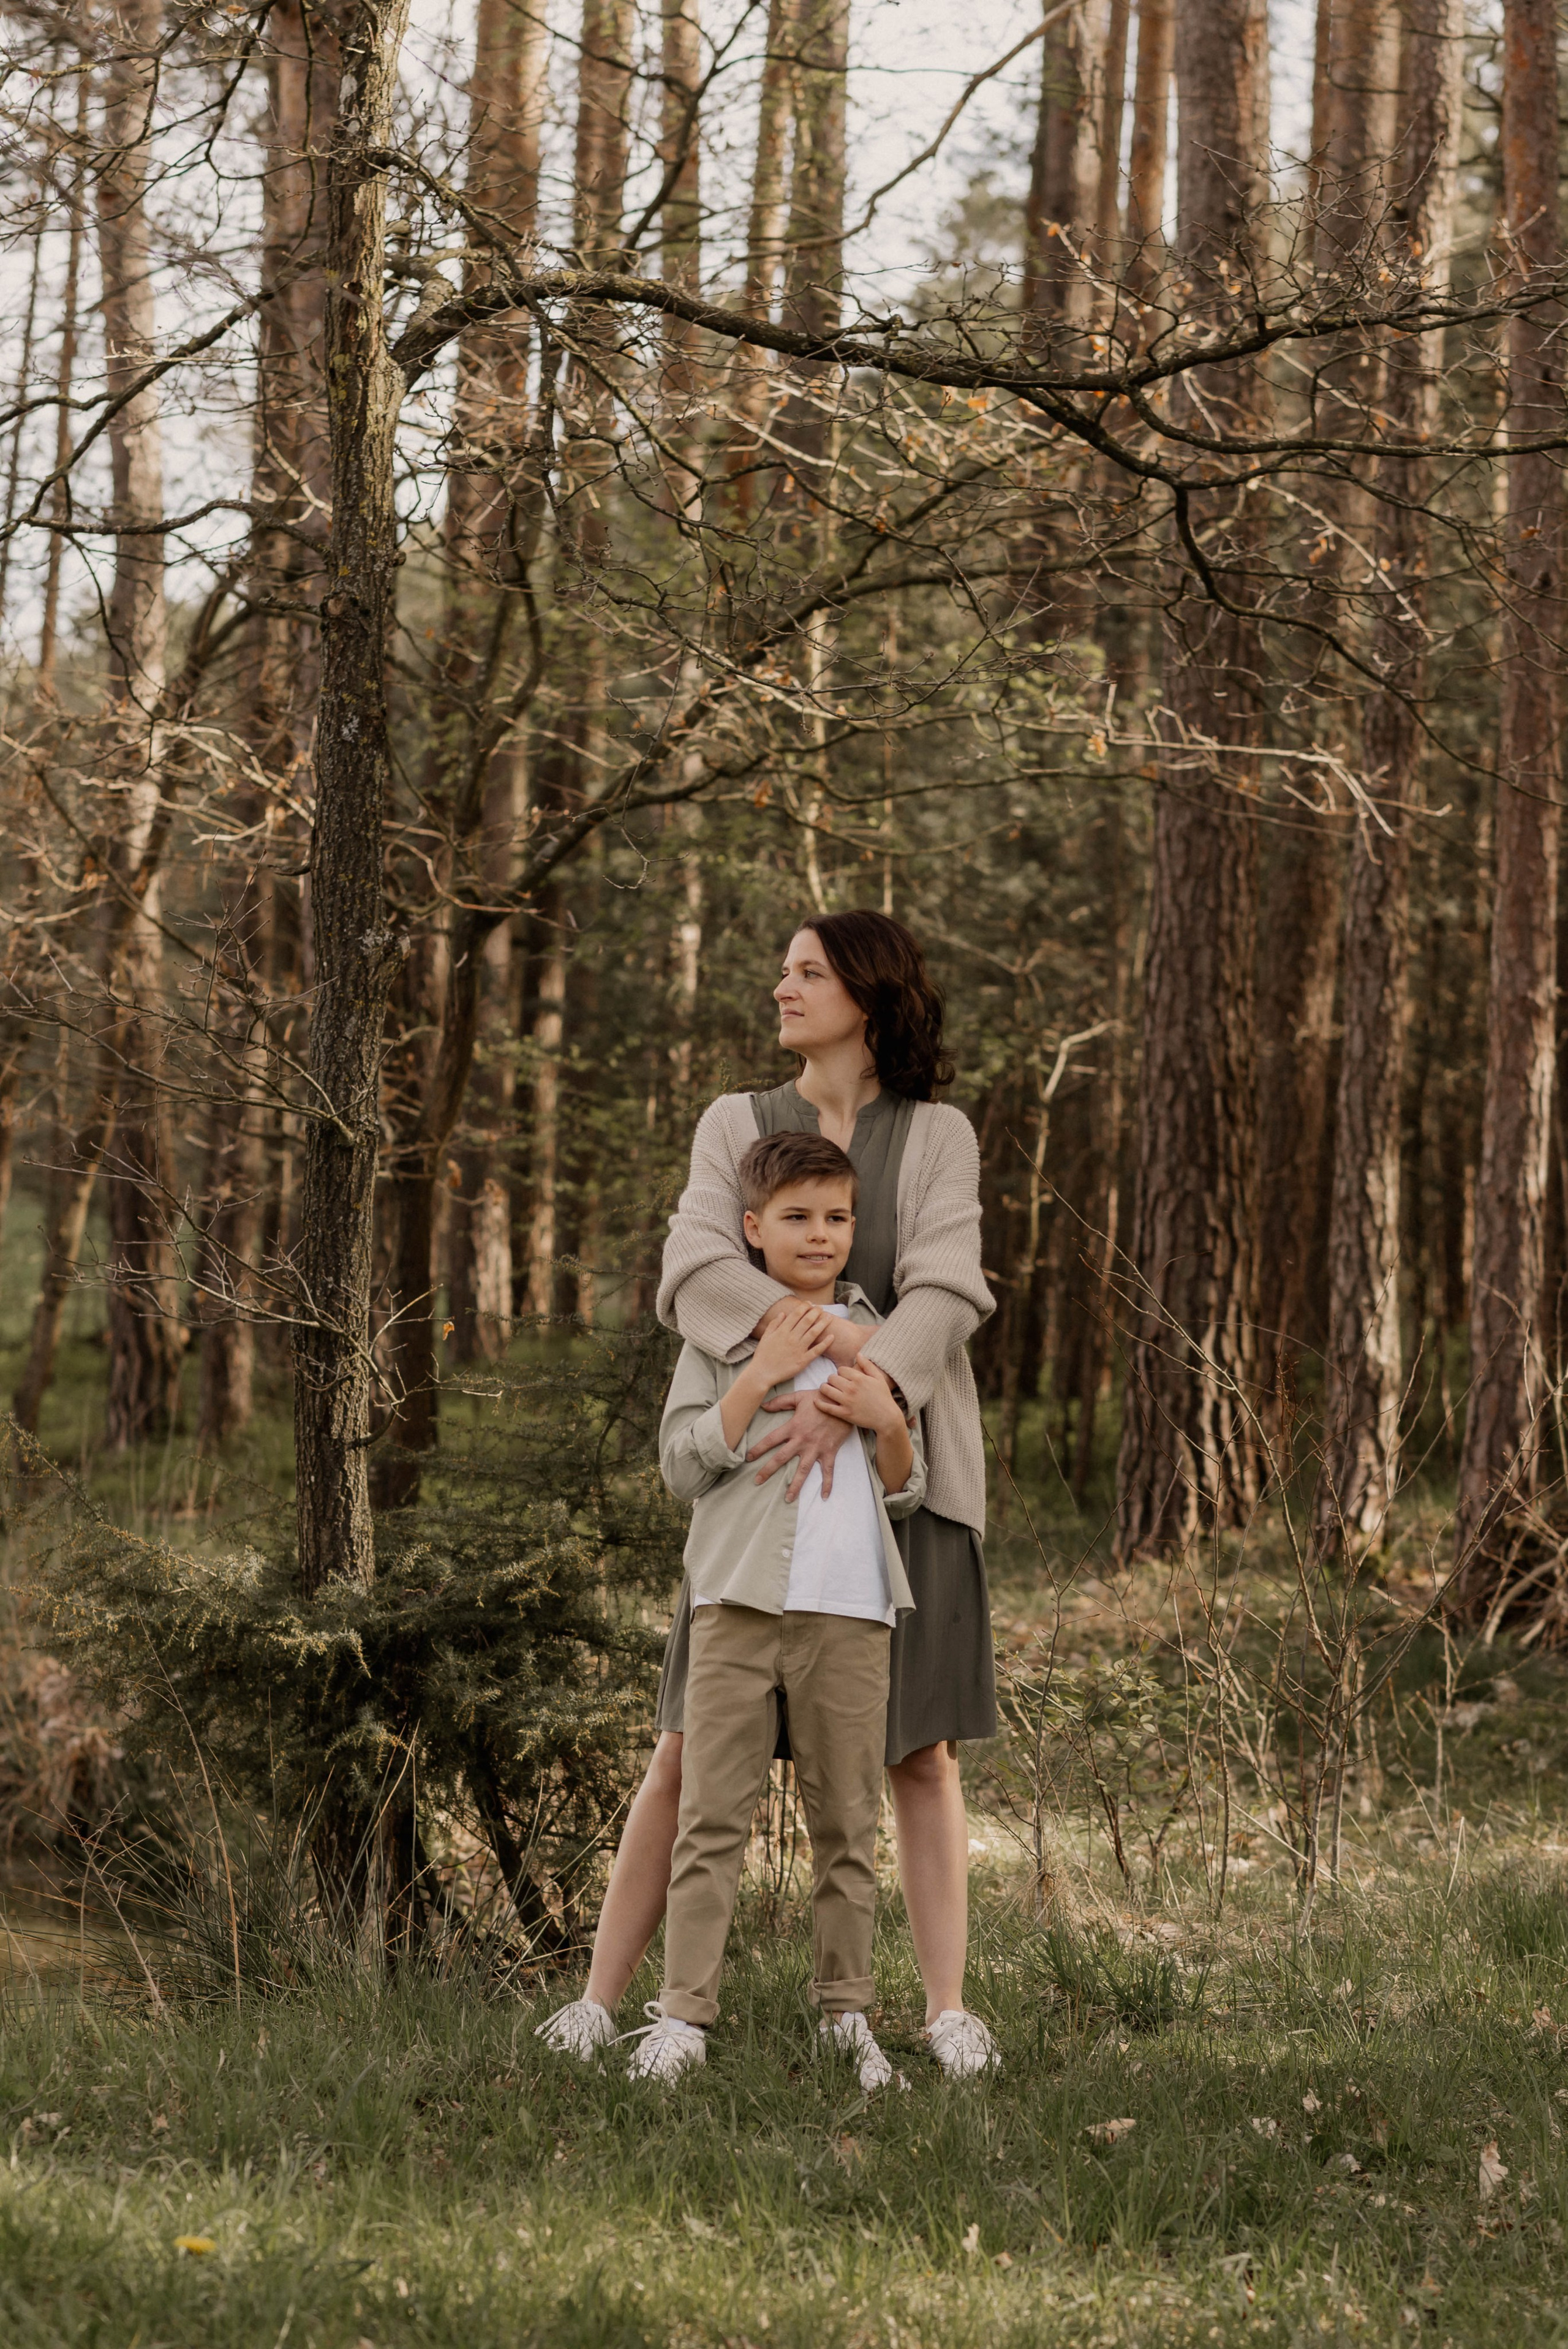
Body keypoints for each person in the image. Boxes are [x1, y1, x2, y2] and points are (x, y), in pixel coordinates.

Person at [539, 908, 1000, 2078]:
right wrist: (805, 1360)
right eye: (783, 971)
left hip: (902, 1470)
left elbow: (948, 1289)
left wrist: (865, 1390)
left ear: (869, 993)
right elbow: (695, 1270)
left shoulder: (938, 1135)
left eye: (808, 972)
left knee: (920, 1757)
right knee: (684, 1754)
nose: (783, 988)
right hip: (755, 1492)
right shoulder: (733, 1123)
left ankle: (945, 2012)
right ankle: (599, 2003)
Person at [620, 1131, 924, 2087]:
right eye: (797, 1217)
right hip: (738, 1605)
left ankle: (847, 2017)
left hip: (851, 1610)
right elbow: (681, 1467)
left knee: (848, 1826)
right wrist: (759, 1374)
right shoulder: (722, 1334)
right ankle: (683, 2018)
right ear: (753, 1229)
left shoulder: (881, 1336)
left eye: (837, 1217)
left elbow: (907, 1489)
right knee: (711, 1818)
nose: (820, 1234)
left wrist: (887, 1421)